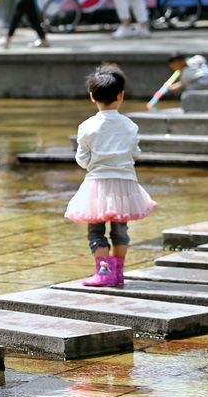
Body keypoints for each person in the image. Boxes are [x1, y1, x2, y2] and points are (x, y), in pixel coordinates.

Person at [65, 65, 156, 288]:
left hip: (97, 184)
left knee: (96, 231)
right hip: (125, 184)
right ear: (120, 96)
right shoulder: (130, 126)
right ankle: (119, 272)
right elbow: (135, 154)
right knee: (120, 230)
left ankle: (103, 272)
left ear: (92, 97)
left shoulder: (87, 126)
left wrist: (93, 165)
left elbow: (82, 159)